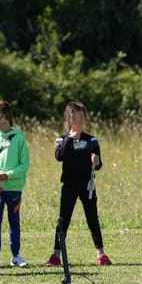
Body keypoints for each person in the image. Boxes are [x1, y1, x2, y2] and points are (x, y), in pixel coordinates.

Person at [45, 101, 112, 267]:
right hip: (69, 185)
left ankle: (101, 254)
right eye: (77, 117)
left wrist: (96, 162)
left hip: (87, 185)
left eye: (83, 117)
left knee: (92, 219)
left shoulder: (92, 140)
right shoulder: (61, 139)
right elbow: (59, 156)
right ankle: (56, 255)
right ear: (70, 118)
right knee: (63, 219)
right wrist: (70, 139)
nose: (80, 120)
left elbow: (99, 164)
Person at [0, 100, 30, 268]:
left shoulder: (19, 138)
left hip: (14, 188)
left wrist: (8, 175)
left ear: (7, 116)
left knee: (14, 221)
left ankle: (16, 256)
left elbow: (24, 165)